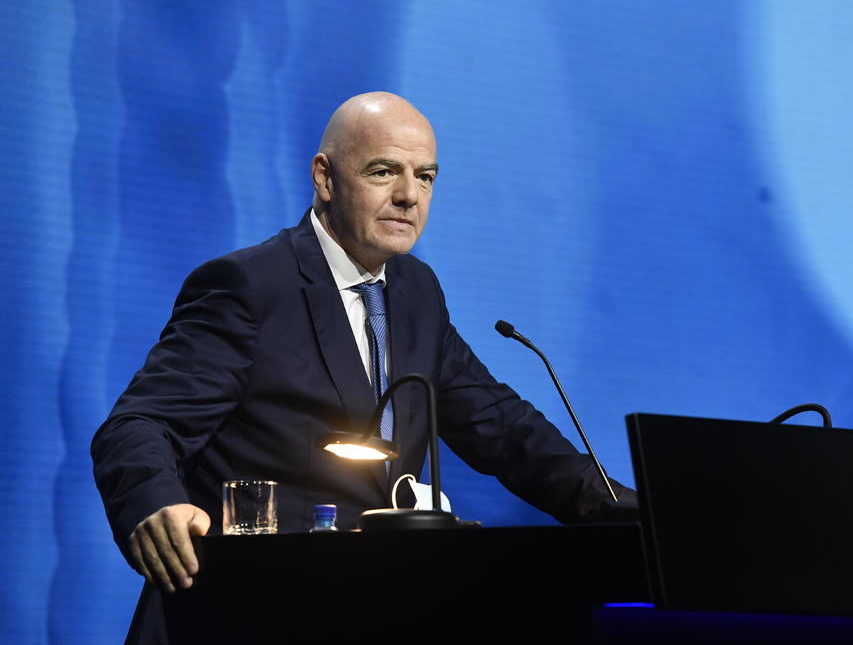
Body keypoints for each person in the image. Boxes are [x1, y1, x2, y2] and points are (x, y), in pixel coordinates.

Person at [92, 92, 634, 637]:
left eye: (425, 177)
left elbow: (504, 429)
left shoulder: (416, 292)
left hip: (371, 604)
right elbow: (140, 423)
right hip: (248, 609)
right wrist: (154, 505)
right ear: (325, 178)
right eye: (383, 172)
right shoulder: (250, 287)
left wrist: (641, 515)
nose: (408, 196)